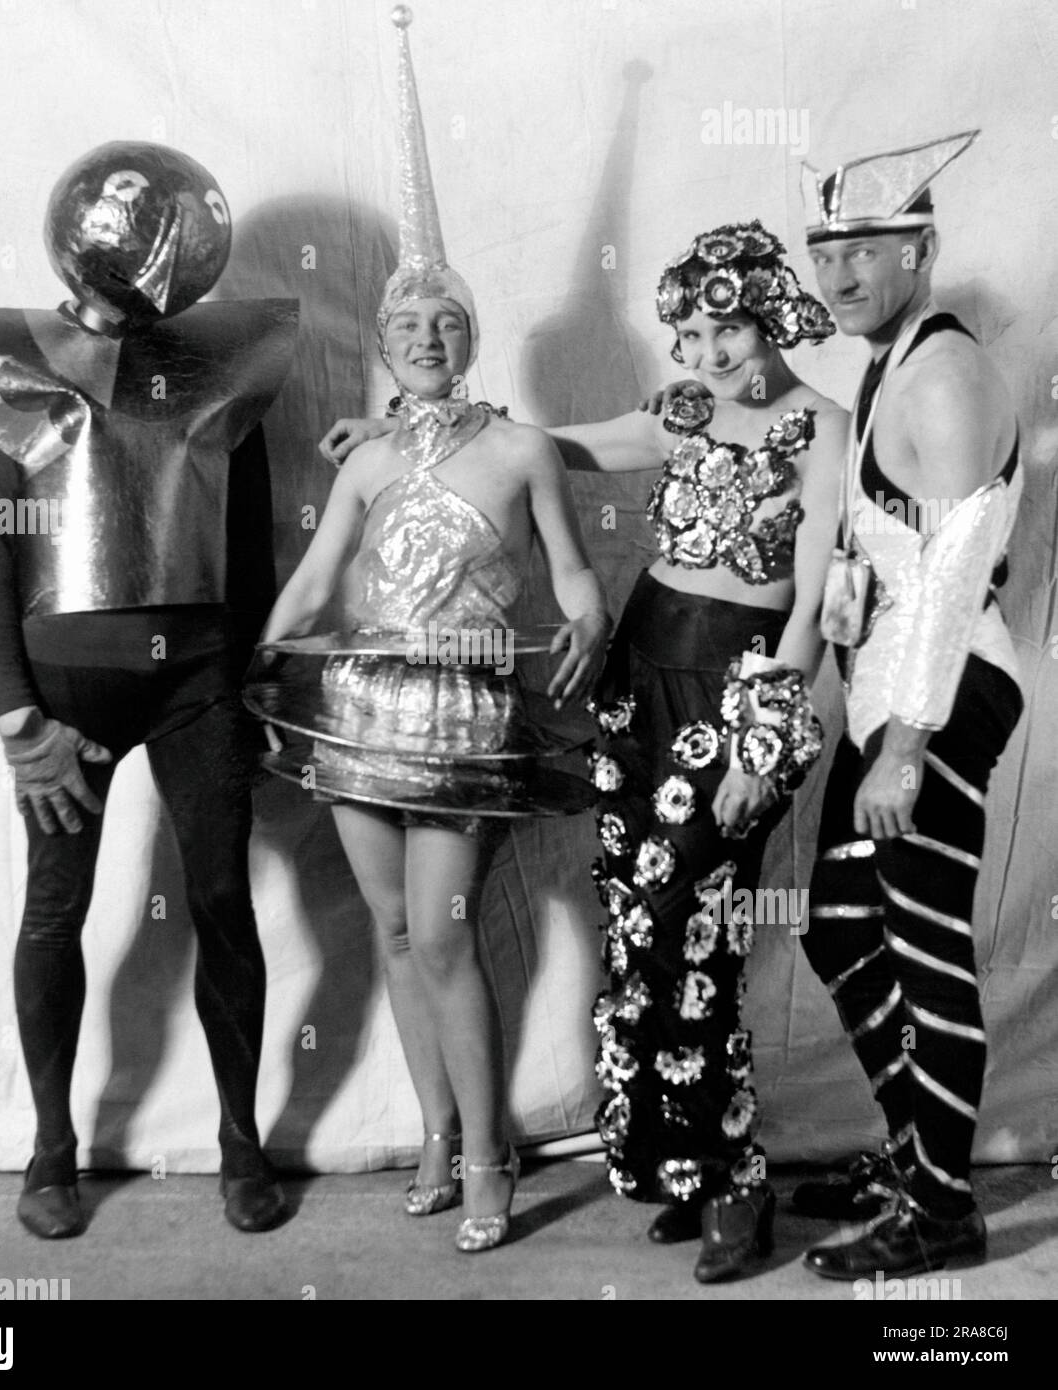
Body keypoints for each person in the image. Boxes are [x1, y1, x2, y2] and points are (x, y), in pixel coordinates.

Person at [325, 219, 847, 1281]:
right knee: (635, 935)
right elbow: (562, 447)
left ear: (772, 321)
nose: (703, 356)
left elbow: (812, 610)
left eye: (726, 333)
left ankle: (734, 1177)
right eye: (690, 335)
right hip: (638, 676)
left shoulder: (825, 427)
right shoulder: (685, 410)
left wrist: (762, 739)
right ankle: (683, 1166)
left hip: (737, 689)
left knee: (689, 928)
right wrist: (409, 433)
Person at [257, 7, 610, 1255]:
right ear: (386, 342)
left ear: (469, 334)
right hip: (356, 703)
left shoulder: (519, 448)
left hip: (463, 710)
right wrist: (262, 649)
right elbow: (311, 586)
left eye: (445, 322)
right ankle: (433, 1129)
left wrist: (582, 614)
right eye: (406, 324)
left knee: (450, 936)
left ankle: (492, 1159)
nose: (425, 337)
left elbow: (571, 572)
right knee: (395, 931)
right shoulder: (357, 459)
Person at [0, 142, 298, 1239]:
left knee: (220, 900)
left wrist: (251, 673)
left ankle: (238, 1141)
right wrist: (14, 715)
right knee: (55, 910)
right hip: (63, 701)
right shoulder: (4, 363)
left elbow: (246, 544)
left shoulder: (225, 364)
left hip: (199, 688)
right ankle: (50, 1148)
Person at [791, 132, 1023, 1279]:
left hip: (936, 694)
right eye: (822, 254)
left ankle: (939, 1208)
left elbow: (948, 570)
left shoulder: (937, 371)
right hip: (889, 689)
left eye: (863, 254)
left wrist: (903, 750)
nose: (836, 278)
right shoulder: (889, 356)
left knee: (924, 946)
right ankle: (910, 1151)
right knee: (836, 923)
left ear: (919, 251)